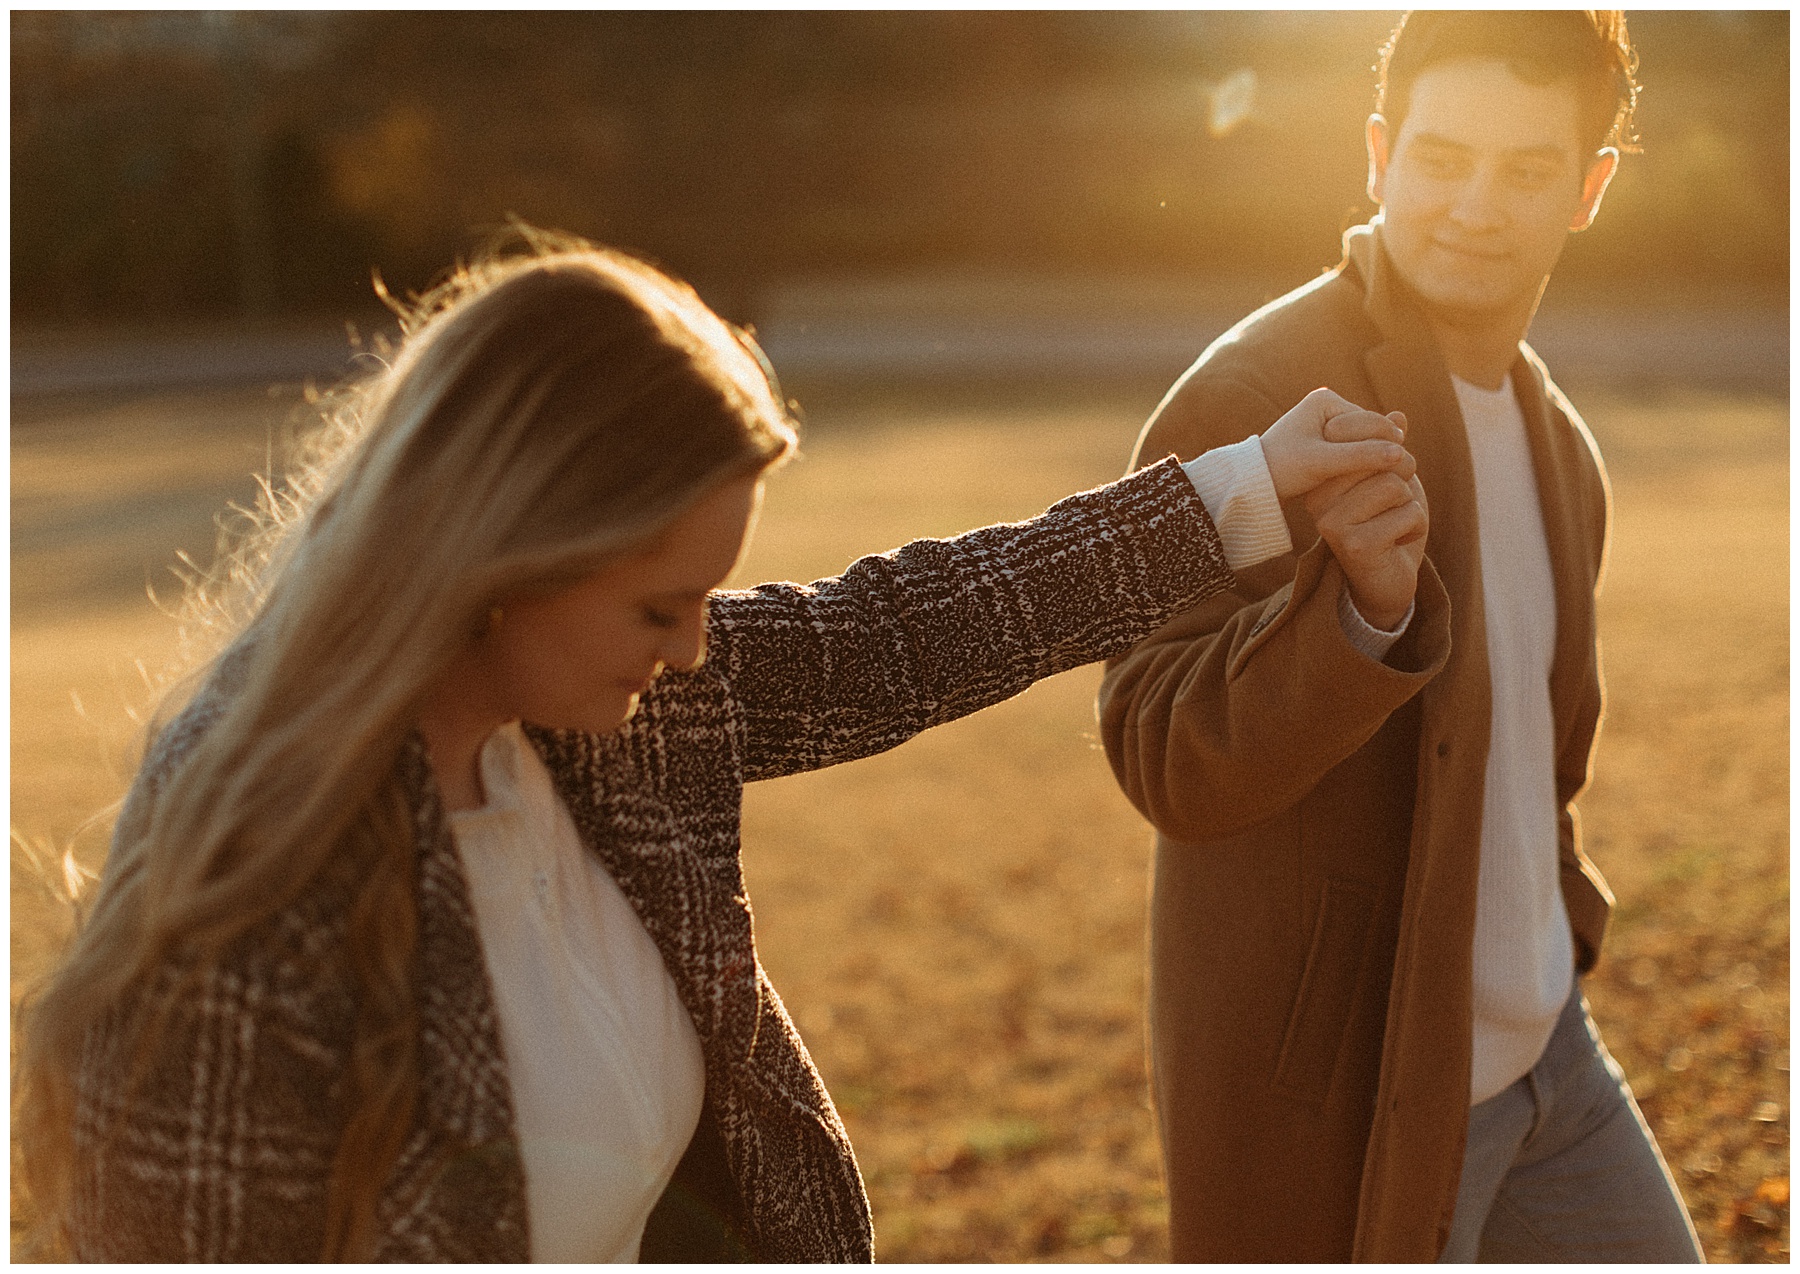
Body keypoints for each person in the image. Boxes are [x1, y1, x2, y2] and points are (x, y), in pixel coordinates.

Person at [15, 228, 1422, 1262]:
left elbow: (896, 634)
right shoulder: (259, 871)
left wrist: (1243, 489)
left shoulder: (579, 716)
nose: (696, 647)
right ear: (502, 553)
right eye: (660, 603)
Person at [1099, 10, 1705, 1263]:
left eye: (1528, 169)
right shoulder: (1256, 395)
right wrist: (1362, 619)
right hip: (1364, 1093)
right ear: (1379, 154)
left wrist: (1565, 924)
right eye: (1442, 157)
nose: (1474, 204)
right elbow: (1156, 750)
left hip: (1554, 1064)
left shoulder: (1562, 446)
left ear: (1589, 190)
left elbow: (1546, 756)